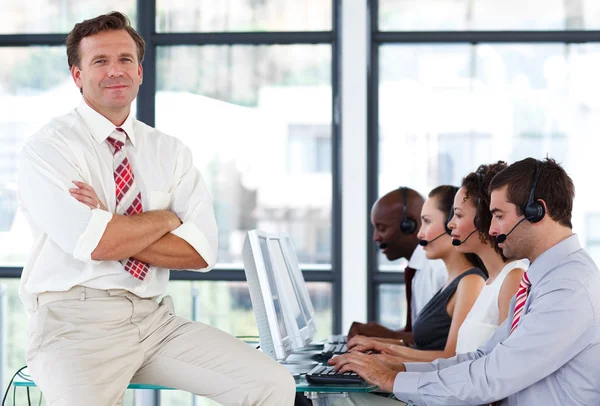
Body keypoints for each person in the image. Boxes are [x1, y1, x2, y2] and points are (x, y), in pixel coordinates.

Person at [17, 12, 295, 406]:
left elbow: (199, 252)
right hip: (74, 323)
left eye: (125, 60)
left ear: (140, 71)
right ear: (77, 75)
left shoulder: (169, 151)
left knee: (272, 384)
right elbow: (97, 244)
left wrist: (113, 225)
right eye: (100, 61)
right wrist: (167, 219)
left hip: (153, 319)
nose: (115, 71)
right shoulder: (50, 148)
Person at [329, 157, 600, 406]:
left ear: (536, 212)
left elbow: (496, 374)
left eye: (499, 216)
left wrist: (393, 381)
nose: (492, 229)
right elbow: (482, 358)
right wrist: (398, 370)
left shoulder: (569, 288)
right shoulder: (540, 280)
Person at [348, 186, 486, 362]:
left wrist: (383, 352)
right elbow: (425, 345)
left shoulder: (466, 280)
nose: (420, 234)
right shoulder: (451, 281)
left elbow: (451, 358)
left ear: (451, 225)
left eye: (427, 222)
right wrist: (378, 346)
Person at [348, 187, 448, 342]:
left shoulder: (437, 270)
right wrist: (377, 337)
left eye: (382, 228)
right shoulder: (418, 269)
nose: (375, 237)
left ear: (409, 225)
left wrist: (387, 337)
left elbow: (435, 343)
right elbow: (420, 335)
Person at [449, 163, 526, 353]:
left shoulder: (513, 278)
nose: (450, 224)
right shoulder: (490, 281)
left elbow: (505, 363)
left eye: (458, 215)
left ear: (482, 218)